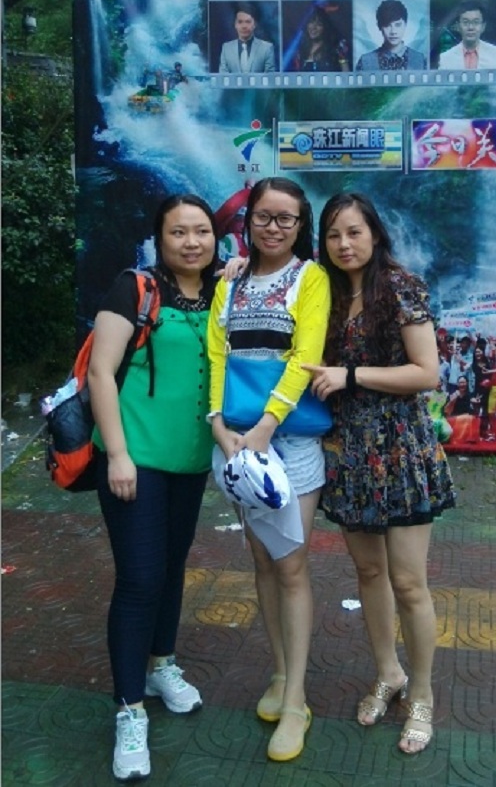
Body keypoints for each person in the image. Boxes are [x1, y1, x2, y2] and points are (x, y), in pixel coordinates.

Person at [304, 192, 455, 755]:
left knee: (409, 582)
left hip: (400, 450)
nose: (344, 244)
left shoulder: (399, 287)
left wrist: (351, 375)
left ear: (374, 234)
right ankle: (388, 673)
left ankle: (422, 695)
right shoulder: (324, 292)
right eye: (333, 234)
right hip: (349, 452)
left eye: (354, 232)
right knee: (368, 573)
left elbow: (426, 373)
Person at [88, 194, 218, 781]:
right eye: (178, 232)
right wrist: (117, 454)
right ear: (160, 239)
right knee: (139, 579)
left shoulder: (220, 292)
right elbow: (100, 372)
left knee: (171, 567)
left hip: (190, 460)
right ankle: (129, 710)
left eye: (201, 231)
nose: (191, 242)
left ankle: (161, 665)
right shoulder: (135, 289)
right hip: (134, 459)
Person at [207, 177, 330, 763]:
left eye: (286, 218)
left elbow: (307, 356)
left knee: (292, 564)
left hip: (289, 441)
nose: (274, 227)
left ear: (301, 226)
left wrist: (267, 424)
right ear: (248, 221)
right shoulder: (228, 282)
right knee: (260, 560)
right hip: (235, 440)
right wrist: (216, 422)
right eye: (264, 217)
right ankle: (279, 674)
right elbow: (217, 354)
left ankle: (298, 700)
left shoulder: (311, 278)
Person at [356, 0, 426, 71]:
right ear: (379, 26)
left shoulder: (420, 60)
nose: (393, 31)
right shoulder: (365, 61)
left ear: (405, 25)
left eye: (398, 25)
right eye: (387, 25)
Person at [438, 0, 496, 70]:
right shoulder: (446, 58)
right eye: (465, 22)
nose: (470, 27)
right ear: (458, 26)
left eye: (476, 22)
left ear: (483, 26)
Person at [289, 4, 349, 72]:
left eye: (319, 24)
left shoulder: (336, 48)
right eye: (311, 22)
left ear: (325, 27)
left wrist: (343, 57)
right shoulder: (300, 51)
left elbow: (346, 75)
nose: (313, 27)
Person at [218, 3, 276, 73]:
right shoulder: (226, 48)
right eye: (240, 22)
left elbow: (270, 76)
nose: (244, 26)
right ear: (235, 25)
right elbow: (223, 75)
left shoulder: (266, 48)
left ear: (254, 24)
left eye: (248, 22)